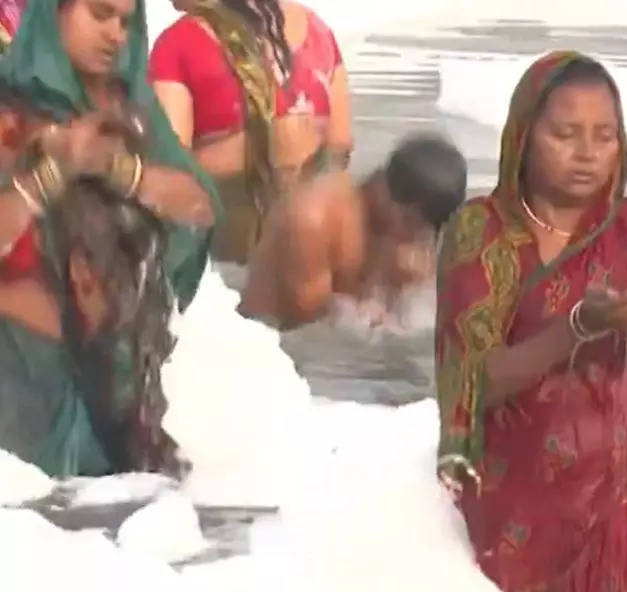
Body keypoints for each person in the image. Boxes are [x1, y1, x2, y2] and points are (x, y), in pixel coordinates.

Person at [434, 51, 627, 592]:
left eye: (604, 135)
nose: (587, 152)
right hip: (526, 517)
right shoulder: (482, 233)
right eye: (565, 134)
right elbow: (473, 382)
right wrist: (577, 326)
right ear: (523, 135)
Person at [0, 0, 216, 477]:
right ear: (56, 12)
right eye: (100, 15)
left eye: (125, 21)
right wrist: (57, 171)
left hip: (122, 382)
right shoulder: (7, 103)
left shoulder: (133, 109)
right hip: (24, 377)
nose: (116, 34)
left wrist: (117, 169)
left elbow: (198, 206)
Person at [149, 0, 351, 264]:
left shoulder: (178, 45)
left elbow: (166, 176)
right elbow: (340, 148)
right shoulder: (321, 35)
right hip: (310, 255)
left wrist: (257, 147)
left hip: (224, 263)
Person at [238, 132, 467, 330]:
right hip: (268, 349)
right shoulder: (312, 219)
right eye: (412, 226)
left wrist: (403, 288)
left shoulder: (395, 231)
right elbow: (307, 327)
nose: (414, 240)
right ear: (385, 189)